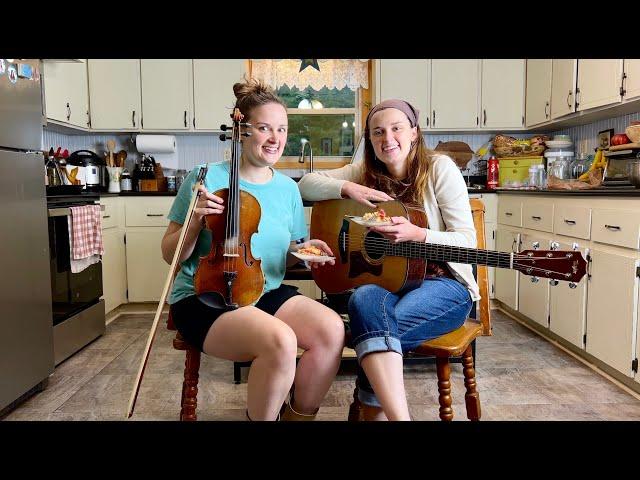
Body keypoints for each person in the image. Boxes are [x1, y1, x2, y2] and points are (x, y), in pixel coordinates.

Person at [162, 78, 345, 421]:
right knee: (281, 342)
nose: (276, 139)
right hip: (206, 295)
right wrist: (195, 223)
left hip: (264, 289)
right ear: (242, 131)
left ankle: (298, 416)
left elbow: (287, 250)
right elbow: (169, 253)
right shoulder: (205, 179)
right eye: (264, 128)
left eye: (282, 129)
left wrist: (307, 251)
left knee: (332, 329)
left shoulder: (288, 190)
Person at [297, 99, 479, 421]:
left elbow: (467, 242)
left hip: (445, 285)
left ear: (414, 133)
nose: (387, 138)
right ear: (369, 140)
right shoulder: (364, 173)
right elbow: (307, 183)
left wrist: (419, 235)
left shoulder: (439, 168)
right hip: (389, 285)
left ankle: (374, 410)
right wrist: (347, 187)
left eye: (396, 128)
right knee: (365, 299)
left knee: (372, 325)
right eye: (377, 132)